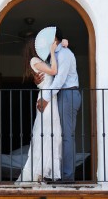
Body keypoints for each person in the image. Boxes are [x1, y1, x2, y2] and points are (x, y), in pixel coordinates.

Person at [16, 29, 62, 183]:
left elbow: (47, 77)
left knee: (52, 134)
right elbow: (54, 71)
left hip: (50, 99)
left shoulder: (40, 60)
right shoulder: (34, 61)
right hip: (46, 101)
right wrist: (53, 52)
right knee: (46, 134)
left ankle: (45, 172)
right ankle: (39, 173)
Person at [36, 27, 81, 182]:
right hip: (62, 94)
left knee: (67, 136)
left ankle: (68, 177)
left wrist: (46, 97)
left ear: (54, 39)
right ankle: (60, 174)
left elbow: (60, 79)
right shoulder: (56, 54)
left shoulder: (65, 54)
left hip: (68, 93)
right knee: (61, 136)